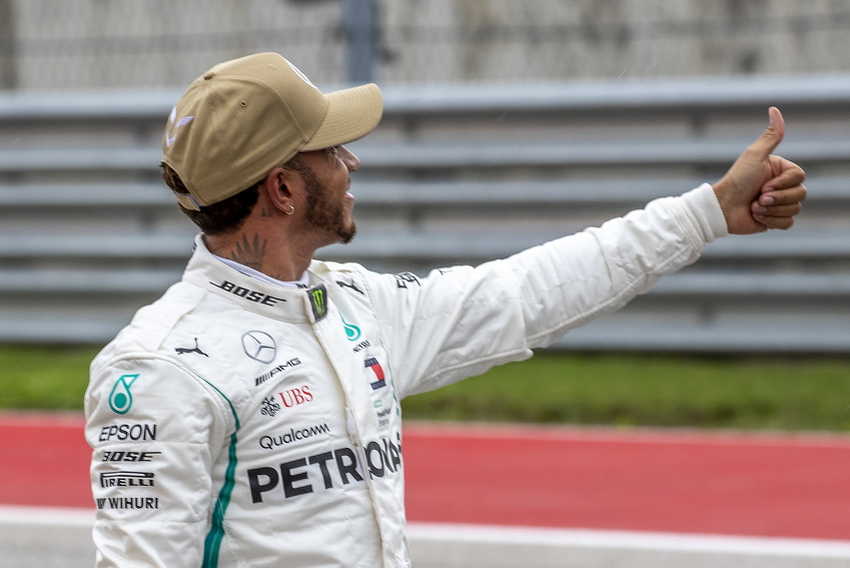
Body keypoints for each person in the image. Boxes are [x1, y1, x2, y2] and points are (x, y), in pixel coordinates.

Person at [84, 52, 806, 568]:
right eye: (333, 148)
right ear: (283, 190)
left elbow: (527, 292)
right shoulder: (160, 368)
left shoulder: (351, 305)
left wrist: (708, 212)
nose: (353, 162)